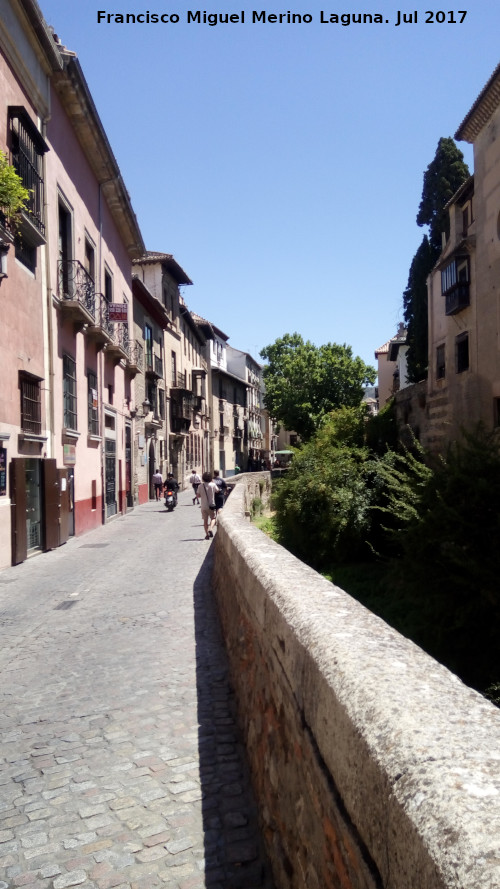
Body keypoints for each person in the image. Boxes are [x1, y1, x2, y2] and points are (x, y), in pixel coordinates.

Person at [198, 471, 217, 539]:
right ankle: (210, 528)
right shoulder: (213, 485)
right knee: (213, 518)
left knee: (205, 521)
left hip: (203, 506)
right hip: (211, 505)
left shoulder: (200, 486)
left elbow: (198, 495)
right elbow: (217, 491)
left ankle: (207, 535)